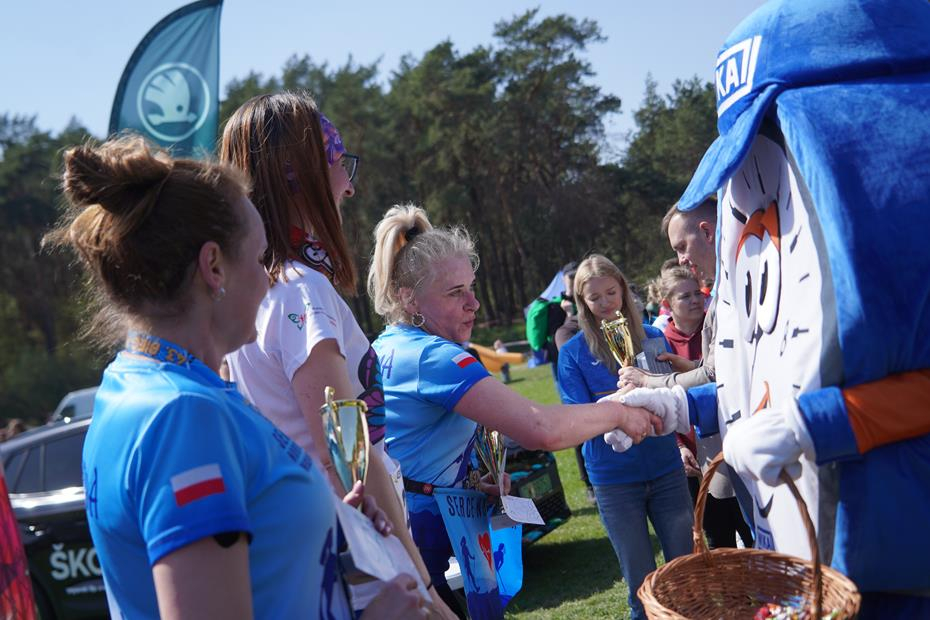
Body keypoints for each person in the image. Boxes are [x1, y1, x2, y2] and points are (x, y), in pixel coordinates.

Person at [48, 135, 422, 619]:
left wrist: (325, 533)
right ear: (214, 267)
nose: (269, 279)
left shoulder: (133, 383)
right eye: (260, 257)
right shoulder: (184, 415)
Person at [219, 92, 451, 617]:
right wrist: (427, 588)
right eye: (340, 163)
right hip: (366, 565)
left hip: (318, 558)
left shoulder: (249, 294)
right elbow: (348, 458)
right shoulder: (302, 291)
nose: (349, 184)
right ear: (299, 176)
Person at [367, 205, 663, 612]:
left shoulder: (387, 344)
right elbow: (540, 428)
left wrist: (468, 483)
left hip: (408, 534)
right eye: (455, 293)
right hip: (426, 542)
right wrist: (620, 413)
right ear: (408, 297)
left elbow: (412, 452)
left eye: (472, 288)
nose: (474, 303)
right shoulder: (432, 357)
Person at [556, 254, 693, 620]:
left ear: (623, 290)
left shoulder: (652, 337)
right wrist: (621, 402)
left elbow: (671, 398)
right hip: (615, 481)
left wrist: (677, 440)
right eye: (594, 297)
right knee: (640, 586)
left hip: (666, 470)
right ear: (582, 302)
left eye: (611, 293)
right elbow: (578, 416)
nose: (605, 303)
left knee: (684, 577)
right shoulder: (572, 354)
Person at [656, 266, 751, 549]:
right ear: (667, 303)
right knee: (719, 538)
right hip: (694, 458)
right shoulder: (659, 343)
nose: (695, 300)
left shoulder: (720, 327)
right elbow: (660, 399)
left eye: (697, 293)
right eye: (685, 296)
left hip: (729, 442)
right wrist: (679, 446)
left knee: (750, 530)